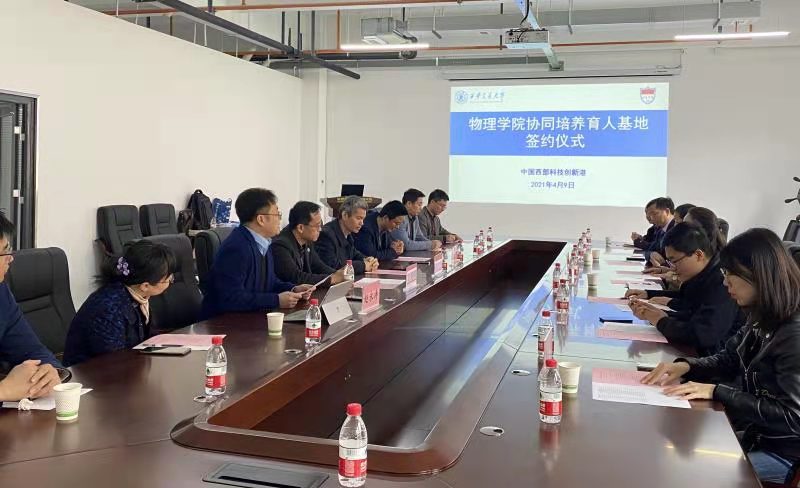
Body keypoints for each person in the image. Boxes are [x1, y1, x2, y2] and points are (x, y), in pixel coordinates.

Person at [642, 228, 800, 484]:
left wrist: (717, 392)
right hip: (756, 436)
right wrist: (686, 365)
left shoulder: (793, 333)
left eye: (730, 274)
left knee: (696, 474)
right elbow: (728, 359)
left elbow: (792, 417)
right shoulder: (761, 315)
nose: (725, 283)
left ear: (758, 275)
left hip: (785, 455)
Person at [626, 223, 744, 356]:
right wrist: (656, 311)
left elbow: (703, 334)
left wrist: (661, 321)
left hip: (715, 358)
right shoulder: (701, 273)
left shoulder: (722, 282)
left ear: (698, 255)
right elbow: (689, 309)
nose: (672, 268)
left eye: (674, 261)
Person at [201, 188, 315, 319]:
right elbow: (230, 298)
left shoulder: (263, 242)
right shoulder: (236, 248)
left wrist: (293, 289)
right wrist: (276, 300)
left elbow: (270, 282)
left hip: (250, 318)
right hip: (222, 323)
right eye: (277, 214)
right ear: (261, 219)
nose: (280, 219)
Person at [63, 241, 176, 366]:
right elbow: (114, 360)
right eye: (168, 279)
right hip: (91, 373)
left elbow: (146, 337)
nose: (170, 281)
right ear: (145, 286)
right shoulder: (108, 309)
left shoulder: (136, 295)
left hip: (127, 367)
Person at [0, 212, 61, 401]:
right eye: (4, 252)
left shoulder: (2, 294)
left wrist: (49, 372)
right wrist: (4, 390)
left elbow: (32, 350)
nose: (10, 258)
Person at [272, 201, 345, 287]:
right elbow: (295, 277)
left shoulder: (307, 241)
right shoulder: (281, 245)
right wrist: (331, 279)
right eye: (317, 226)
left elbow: (318, 266)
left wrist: (338, 275)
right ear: (300, 228)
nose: (320, 229)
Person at [316, 196, 378, 274]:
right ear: (345, 215)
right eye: (358, 218)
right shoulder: (326, 235)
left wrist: (368, 260)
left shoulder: (348, 234)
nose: (362, 223)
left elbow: (354, 254)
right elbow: (332, 266)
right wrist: (363, 265)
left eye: (363, 219)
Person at [643, 197, 676, 266]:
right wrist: (650, 254)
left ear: (667, 211)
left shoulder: (676, 228)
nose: (651, 218)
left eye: (654, 214)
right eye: (649, 215)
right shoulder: (661, 230)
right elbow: (649, 249)